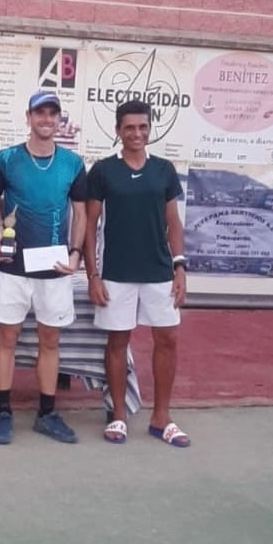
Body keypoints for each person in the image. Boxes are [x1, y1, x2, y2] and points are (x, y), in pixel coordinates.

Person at [83, 100, 190, 447]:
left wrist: (180, 266)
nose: (137, 133)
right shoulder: (102, 171)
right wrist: (93, 276)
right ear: (118, 131)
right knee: (117, 343)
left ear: (149, 129)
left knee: (168, 340)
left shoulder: (163, 170)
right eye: (129, 127)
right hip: (116, 272)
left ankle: (162, 418)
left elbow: (173, 222)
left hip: (159, 271)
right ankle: (118, 415)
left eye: (142, 127)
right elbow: (90, 225)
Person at [0, 91, 87, 445]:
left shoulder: (73, 163)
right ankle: (3, 412)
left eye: (53, 113)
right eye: (40, 113)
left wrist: (76, 253)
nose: (47, 119)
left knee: (50, 340)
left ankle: (46, 413)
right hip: (14, 264)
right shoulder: (7, 159)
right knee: (7, 338)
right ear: (28, 116)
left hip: (55, 266)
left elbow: (82, 212)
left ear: (60, 120)